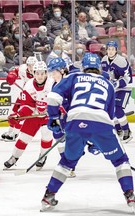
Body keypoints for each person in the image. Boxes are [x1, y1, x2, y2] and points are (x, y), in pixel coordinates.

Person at [41, 53, 135, 212]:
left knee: (67, 162)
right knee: (120, 160)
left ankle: (48, 196)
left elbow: (53, 97)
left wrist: (53, 117)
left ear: (83, 67)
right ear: (99, 68)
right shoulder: (108, 83)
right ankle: (130, 195)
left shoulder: (74, 77)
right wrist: (98, 141)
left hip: (75, 122)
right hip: (101, 124)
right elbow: (109, 116)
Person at [4, 60, 54, 171]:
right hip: (35, 115)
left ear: (46, 73)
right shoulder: (29, 85)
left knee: (46, 133)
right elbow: (27, 105)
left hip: (49, 115)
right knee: (24, 137)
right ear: (34, 73)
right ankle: (14, 157)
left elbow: (59, 100)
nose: (40, 76)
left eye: (42, 73)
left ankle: (43, 155)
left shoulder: (53, 83)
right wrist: (18, 115)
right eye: (37, 73)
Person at [101, 40, 133, 143]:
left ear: (116, 50)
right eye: (109, 49)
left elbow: (127, 78)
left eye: (112, 49)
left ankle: (126, 131)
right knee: (110, 110)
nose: (110, 51)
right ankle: (118, 129)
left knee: (117, 109)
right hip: (112, 88)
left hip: (124, 87)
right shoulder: (104, 60)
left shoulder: (121, 61)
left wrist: (117, 83)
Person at [1, 56, 38, 142]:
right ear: (27, 65)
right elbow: (15, 71)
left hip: (35, 97)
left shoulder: (40, 72)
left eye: (33, 65)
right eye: (30, 65)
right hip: (25, 93)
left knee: (23, 113)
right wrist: (12, 75)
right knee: (15, 110)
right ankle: (10, 131)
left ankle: (15, 133)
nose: (31, 68)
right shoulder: (23, 69)